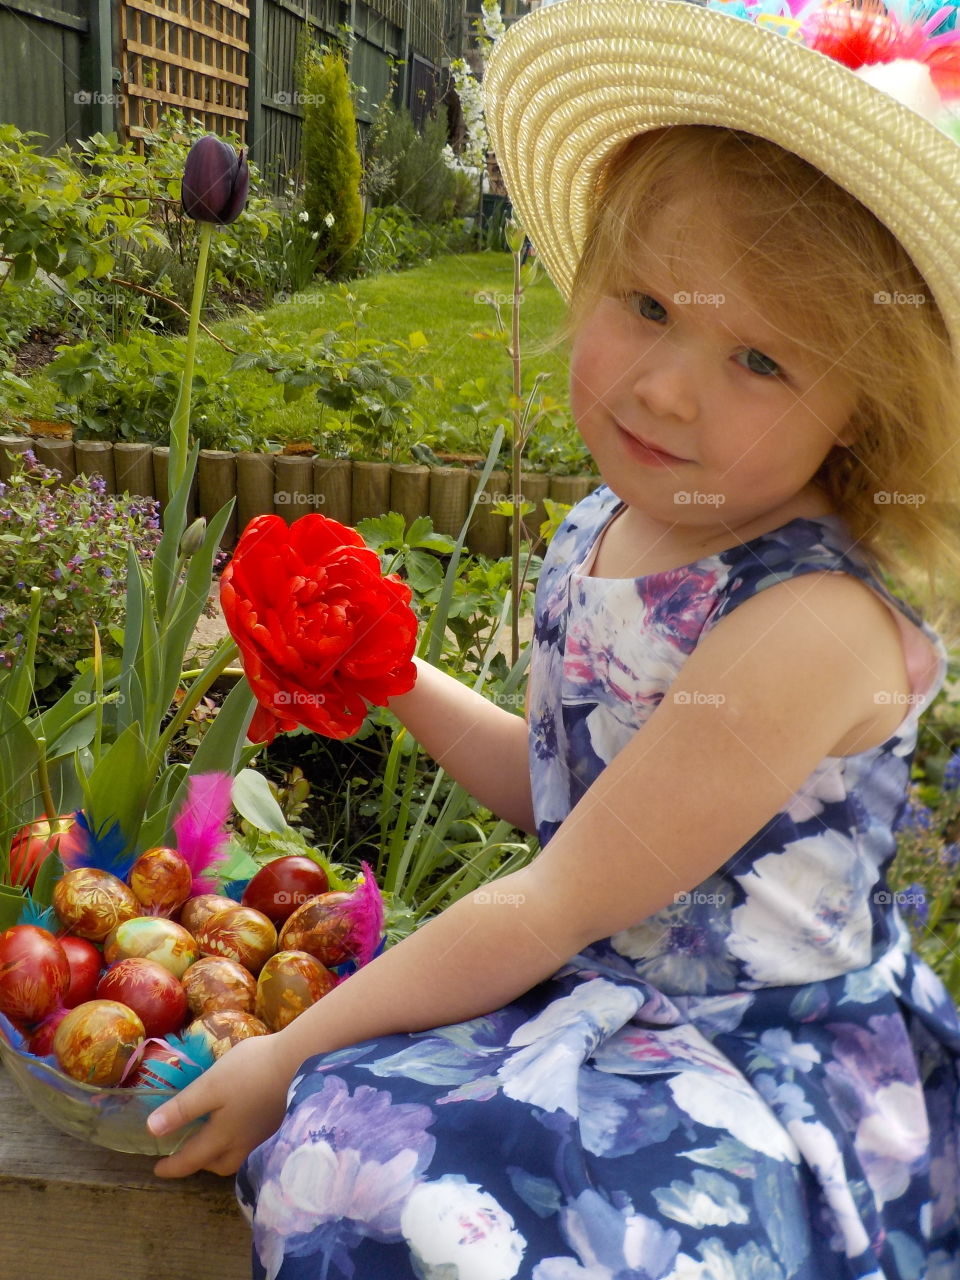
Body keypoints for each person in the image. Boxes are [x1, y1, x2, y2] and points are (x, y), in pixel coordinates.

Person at [148, 1, 960, 1275]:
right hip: (606, 995)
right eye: (646, 303)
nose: (663, 387)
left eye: (759, 356)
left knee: (394, 1182)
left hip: (754, 1055)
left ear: (866, 405)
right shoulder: (619, 518)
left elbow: (548, 898)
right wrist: (391, 672)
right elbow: (564, 790)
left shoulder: (807, 621)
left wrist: (285, 1051)